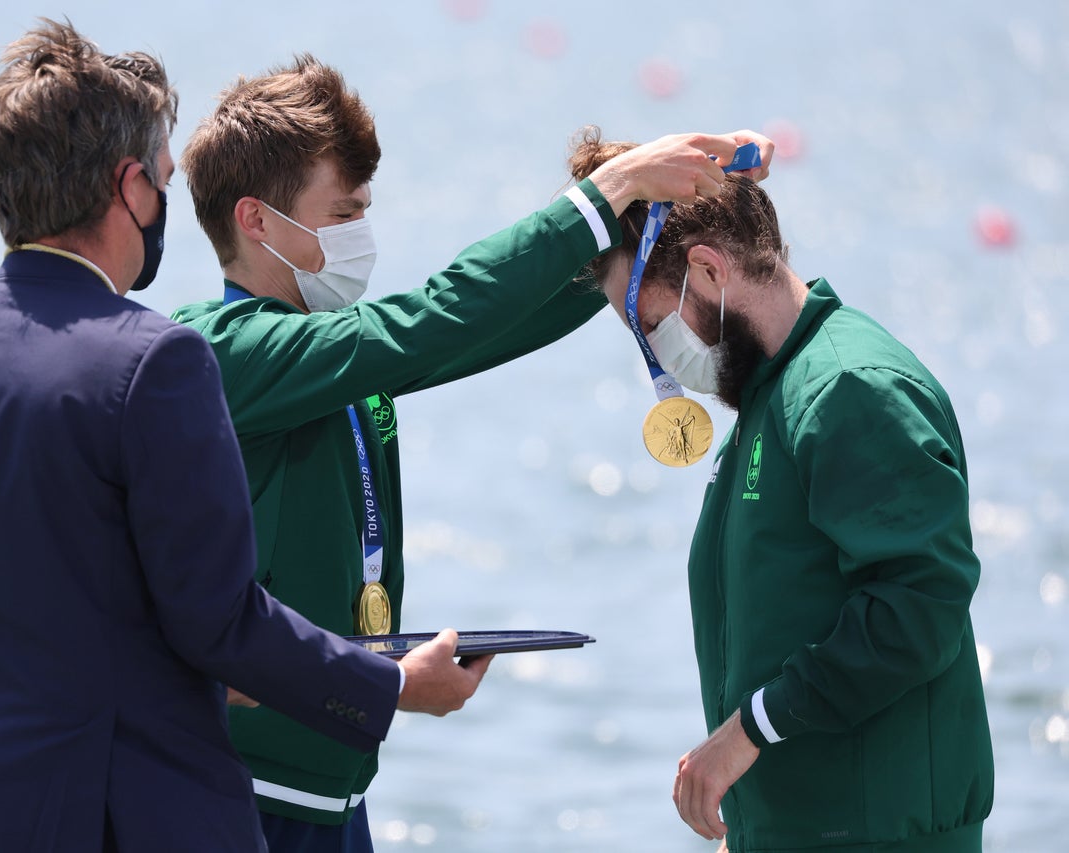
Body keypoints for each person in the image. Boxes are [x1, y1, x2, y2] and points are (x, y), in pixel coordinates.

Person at [0, 21, 491, 853]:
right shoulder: (155, 362)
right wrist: (386, 684)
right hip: (119, 821)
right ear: (133, 187)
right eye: (165, 183)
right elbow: (218, 624)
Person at [172, 54, 773, 851]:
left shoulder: (330, 352)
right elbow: (435, 318)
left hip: (331, 792)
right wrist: (606, 194)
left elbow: (475, 330)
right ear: (255, 221)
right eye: (342, 211)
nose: (361, 232)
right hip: (242, 797)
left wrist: (623, 245)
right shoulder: (226, 351)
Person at [569, 129, 994, 851]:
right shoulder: (771, 397)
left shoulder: (848, 387)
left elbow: (918, 606)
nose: (654, 356)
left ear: (707, 270)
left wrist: (745, 733)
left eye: (647, 325)